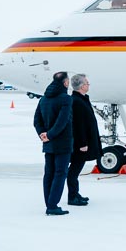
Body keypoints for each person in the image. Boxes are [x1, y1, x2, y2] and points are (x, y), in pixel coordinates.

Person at [32, 71, 72, 215]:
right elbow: (62, 121)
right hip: (62, 142)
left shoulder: (43, 99)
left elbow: (37, 121)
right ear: (65, 83)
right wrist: (50, 135)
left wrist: (43, 135)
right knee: (60, 173)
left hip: (48, 143)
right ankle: (52, 205)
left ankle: (49, 203)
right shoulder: (66, 99)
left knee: (48, 173)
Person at [66, 73, 101, 206]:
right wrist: (82, 143)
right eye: (87, 83)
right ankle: (72, 196)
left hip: (83, 142)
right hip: (80, 144)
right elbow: (78, 125)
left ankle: (75, 193)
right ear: (81, 86)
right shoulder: (77, 102)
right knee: (74, 170)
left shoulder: (82, 99)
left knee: (75, 169)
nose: (88, 85)